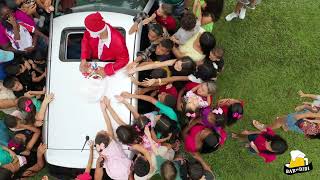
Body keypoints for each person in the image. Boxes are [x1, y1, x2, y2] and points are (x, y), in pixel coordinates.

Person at [79, 12, 129, 77]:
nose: (87, 31)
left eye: (88, 30)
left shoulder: (117, 40)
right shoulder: (91, 30)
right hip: (94, 61)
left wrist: (106, 70)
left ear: (96, 32)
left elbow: (124, 60)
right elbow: (85, 42)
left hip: (109, 66)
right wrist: (84, 59)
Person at [94, 96, 132, 180]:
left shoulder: (105, 146)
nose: (104, 130)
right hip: (119, 170)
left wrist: (104, 109)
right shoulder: (104, 147)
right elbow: (109, 123)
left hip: (115, 173)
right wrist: (104, 109)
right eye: (103, 131)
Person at [252, 111, 320, 138]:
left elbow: (296, 118)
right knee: (287, 121)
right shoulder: (314, 129)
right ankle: (286, 127)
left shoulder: (311, 127)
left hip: (302, 121)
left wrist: (307, 114)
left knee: (280, 121)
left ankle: (264, 128)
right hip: (306, 122)